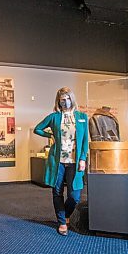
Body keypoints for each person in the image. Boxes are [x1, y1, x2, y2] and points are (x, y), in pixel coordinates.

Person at [33, 87, 89, 236]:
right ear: (58, 101)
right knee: (57, 191)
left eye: (68, 98)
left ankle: (65, 214)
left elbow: (85, 141)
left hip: (74, 161)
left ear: (72, 99)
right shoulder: (54, 117)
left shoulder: (82, 117)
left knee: (74, 195)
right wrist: (49, 135)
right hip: (57, 161)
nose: (65, 102)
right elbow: (37, 129)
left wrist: (83, 158)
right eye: (62, 100)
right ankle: (62, 222)